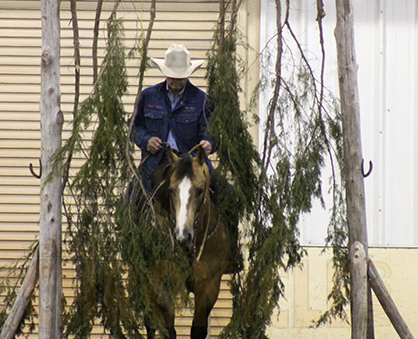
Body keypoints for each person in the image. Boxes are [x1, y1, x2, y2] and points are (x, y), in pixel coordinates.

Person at [132, 44, 215, 192]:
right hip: (155, 162)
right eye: (172, 76)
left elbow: (211, 133)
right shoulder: (148, 96)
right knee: (134, 199)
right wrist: (147, 140)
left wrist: (208, 143)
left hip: (192, 162)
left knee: (221, 193)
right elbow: (135, 128)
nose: (176, 80)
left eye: (180, 76)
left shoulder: (202, 100)